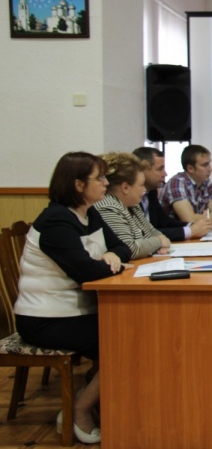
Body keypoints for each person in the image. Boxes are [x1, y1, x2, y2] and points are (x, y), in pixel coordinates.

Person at [14, 152, 133, 444]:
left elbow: (124, 247)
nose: (106, 183)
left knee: (130, 332)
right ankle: (80, 408)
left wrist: (111, 255)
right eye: (99, 178)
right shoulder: (56, 221)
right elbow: (85, 272)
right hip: (45, 318)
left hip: (75, 310)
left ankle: (95, 398)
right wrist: (112, 262)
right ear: (79, 184)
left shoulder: (89, 212)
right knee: (123, 342)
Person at [95, 152, 171, 259]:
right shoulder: (108, 207)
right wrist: (159, 242)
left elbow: (152, 231)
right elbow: (129, 249)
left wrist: (158, 242)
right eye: (141, 185)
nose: (144, 189)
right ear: (125, 188)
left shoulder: (133, 205)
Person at [133, 146, 212, 241]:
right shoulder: (130, 197)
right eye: (160, 169)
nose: (165, 174)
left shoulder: (151, 192)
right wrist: (190, 231)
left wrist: (192, 225)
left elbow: (165, 222)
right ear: (142, 170)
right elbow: (142, 233)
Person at [158, 144, 212, 225]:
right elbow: (188, 219)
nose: (210, 169)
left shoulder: (205, 182)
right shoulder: (177, 182)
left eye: (209, 164)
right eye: (205, 165)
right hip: (171, 231)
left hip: (193, 230)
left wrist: (200, 218)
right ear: (190, 168)